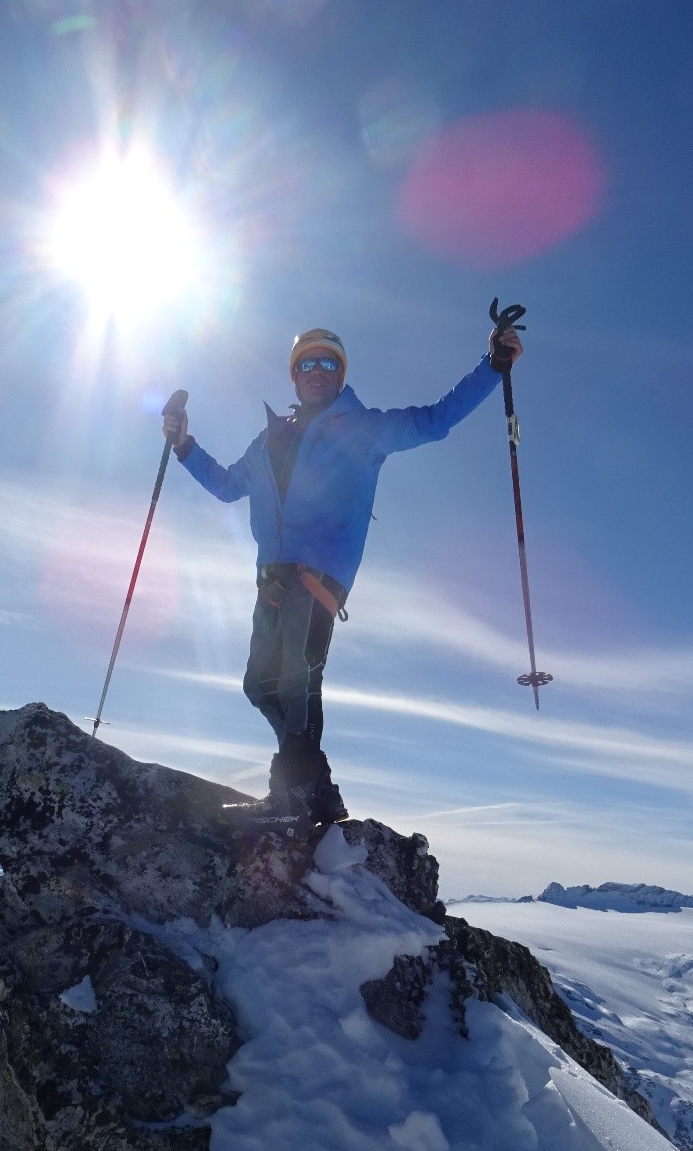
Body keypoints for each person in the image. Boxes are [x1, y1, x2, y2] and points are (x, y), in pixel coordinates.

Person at [162, 320, 524, 825]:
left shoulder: (363, 429)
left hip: (318, 577)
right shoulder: (267, 442)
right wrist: (184, 446)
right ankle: (315, 788)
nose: (317, 371)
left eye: (328, 364)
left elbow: (435, 420)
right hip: (271, 581)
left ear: (340, 375)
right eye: (307, 363)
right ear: (294, 376)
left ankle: (296, 797)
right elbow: (226, 486)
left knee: (297, 681)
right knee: (259, 684)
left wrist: (493, 366)